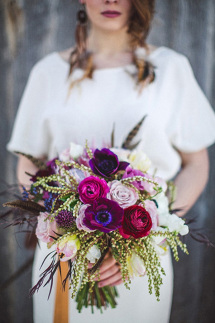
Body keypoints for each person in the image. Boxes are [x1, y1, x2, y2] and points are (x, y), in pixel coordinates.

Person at [6, 0, 215, 322]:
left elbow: (196, 163)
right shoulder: (49, 72)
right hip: (66, 248)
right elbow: (28, 161)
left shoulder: (170, 67)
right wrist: (59, 221)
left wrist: (153, 229)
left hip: (141, 250)